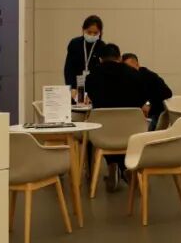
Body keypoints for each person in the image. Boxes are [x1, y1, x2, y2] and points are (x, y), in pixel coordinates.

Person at [85, 43, 146, 191]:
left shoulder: (92, 77)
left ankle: (112, 165)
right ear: (119, 58)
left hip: (102, 134)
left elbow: (93, 99)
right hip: (131, 132)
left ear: (100, 59)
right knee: (121, 130)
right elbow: (141, 100)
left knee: (106, 129)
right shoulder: (134, 74)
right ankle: (125, 167)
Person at [122, 53, 173, 131]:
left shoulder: (150, 76)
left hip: (151, 115)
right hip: (135, 115)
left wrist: (148, 103)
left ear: (137, 64)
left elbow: (167, 93)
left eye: (129, 67)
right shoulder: (126, 78)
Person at [63, 15, 105, 103]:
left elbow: (102, 73)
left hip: (95, 90)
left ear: (100, 32)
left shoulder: (102, 46)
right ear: (83, 30)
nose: (92, 35)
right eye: (89, 32)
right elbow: (69, 68)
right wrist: (71, 87)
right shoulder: (75, 44)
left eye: (95, 33)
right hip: (76, 87)